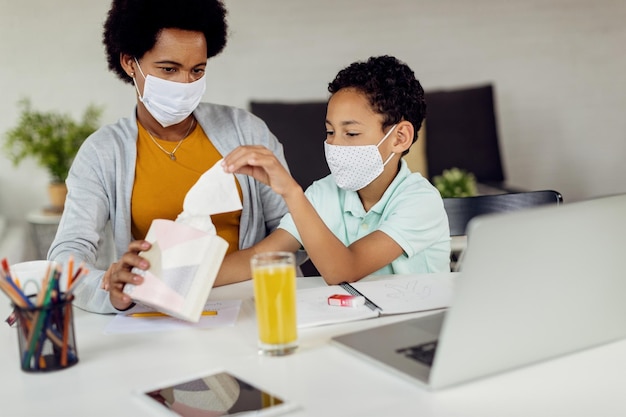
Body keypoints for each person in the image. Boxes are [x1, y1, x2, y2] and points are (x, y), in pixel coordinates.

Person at [48, 0, 289, 313]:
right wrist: (109, 289)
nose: (184, 84)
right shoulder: (102, 153)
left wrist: (210, 276)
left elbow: (293, 226)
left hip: (252, 304)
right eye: (168, 69)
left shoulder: (245, 131)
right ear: (129, 63)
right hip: (156, 311)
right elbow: (69, 251)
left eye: (197, 70)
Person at [221, 55, 451, 285]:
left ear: (400, 138)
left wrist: (291, 192)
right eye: (330, 132)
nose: (334, 145)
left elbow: (345, 270)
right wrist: (188, 282)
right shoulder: (324, 193)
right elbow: (258, 257)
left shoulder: (421, 201)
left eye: (351, 133)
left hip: (422, 319)